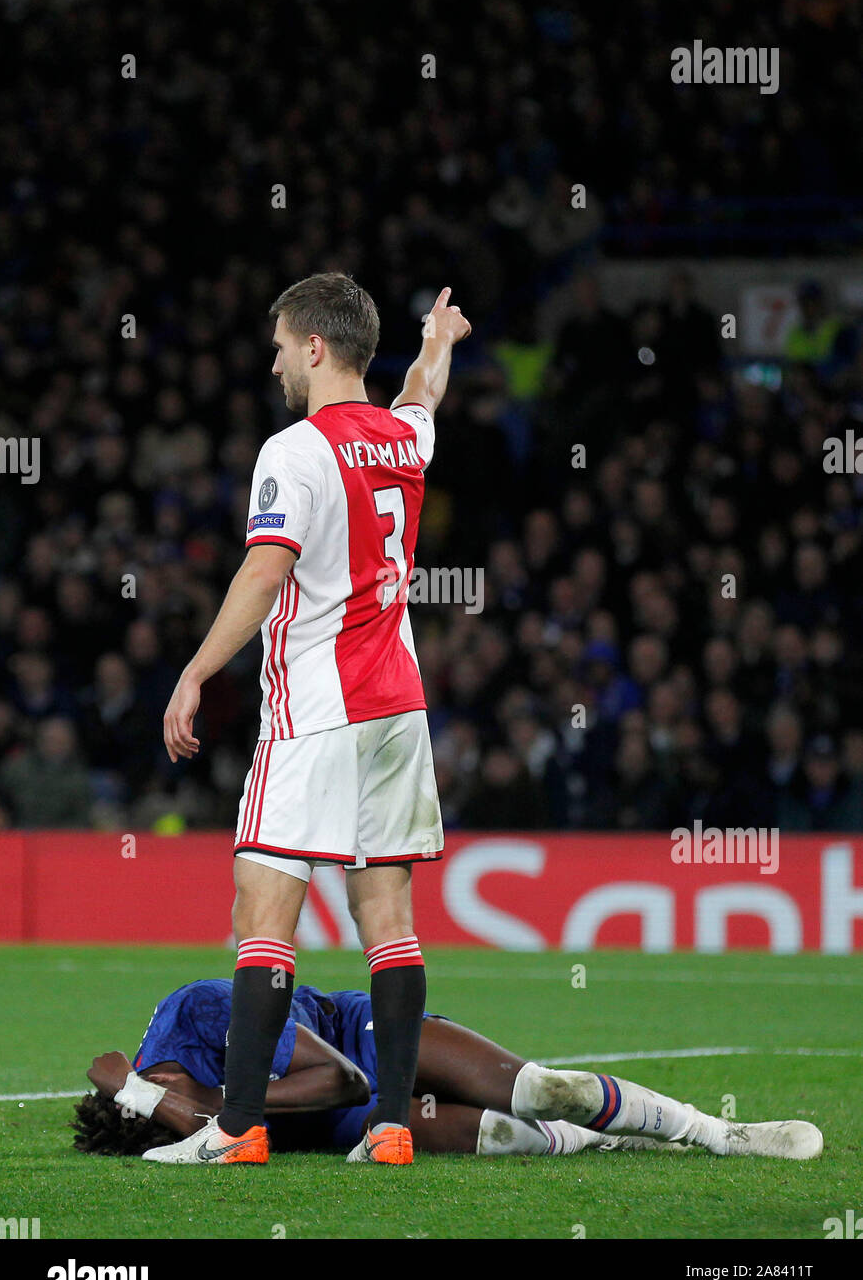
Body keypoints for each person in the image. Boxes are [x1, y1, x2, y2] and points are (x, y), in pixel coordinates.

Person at [158, 274, 472, 1167]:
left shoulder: (293, 450)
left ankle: (239, 1126)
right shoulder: (404, 441)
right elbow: (421, 395)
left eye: (281, 345)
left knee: (263, 904)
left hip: (317, 711)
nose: (273, 362)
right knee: (390, 916)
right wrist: (437, 342)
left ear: (315, 349)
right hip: (399, 710)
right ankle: (393, 1128)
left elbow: (264, 573)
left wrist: (195, 670)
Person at [73, 977, 823, 1163]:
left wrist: (154, 1099)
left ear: (160, 1079)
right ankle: (613, 1139)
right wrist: (180, 1116)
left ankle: (718, 1132)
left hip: (363, 1040)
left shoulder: (205, 1015)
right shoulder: (187, 1113)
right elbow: (224, 1123)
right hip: (336, 1122)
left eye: (191, 1111)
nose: (210, 1125)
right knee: (499, 1134)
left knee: (537, 1089)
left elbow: (345, 1081)